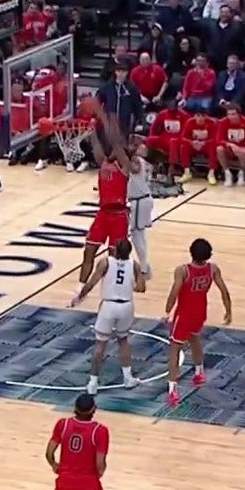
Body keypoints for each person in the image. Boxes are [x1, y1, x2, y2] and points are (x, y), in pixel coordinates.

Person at [70, 239, 146, 395]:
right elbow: (141, 288)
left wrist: (79, 297)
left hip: (108, 306)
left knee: (100, 345)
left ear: (115, 250)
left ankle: (93, 383)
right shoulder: (135, 265)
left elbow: (91, 283)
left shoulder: (105, 262)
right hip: (126, 306)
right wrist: (132, 282)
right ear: (129, 251)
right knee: (123, 340)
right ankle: (128, 378)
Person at [163, 238, 232, 405]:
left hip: (184, 314)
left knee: (174, 349)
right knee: (194, 339)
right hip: (200, 311)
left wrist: (167, 311)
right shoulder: (213, 269)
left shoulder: (182, 271)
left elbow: (174, 293)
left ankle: (172, 390)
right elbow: (224, 290)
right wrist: (228, 310)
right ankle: (199, 372)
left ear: (191, 252)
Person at [45, 393, 113, 490]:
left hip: (65, 481)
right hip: (88, 482)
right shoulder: (100, 431)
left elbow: (49, 452)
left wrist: (54, 465)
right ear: (94, 409)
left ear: (75, 407)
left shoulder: (63, 424)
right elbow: (100, 463)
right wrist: (98, 474)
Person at [79, 118, 131, 284]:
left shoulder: (124, 165)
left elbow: (116, 143)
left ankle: (109, 288)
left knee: (113, 258)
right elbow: (96, 148)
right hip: (103, 214)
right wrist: (93, 131)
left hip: (119, 216)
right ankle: (79, 289)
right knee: (88, 252)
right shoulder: (103, 162)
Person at [126, 143, 156, 279]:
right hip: (143, 200)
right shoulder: (146, 164)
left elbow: (134, 168)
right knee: (140, 234)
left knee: (136, 235)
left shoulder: (137, 161)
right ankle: (145, 265)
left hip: (140, 201)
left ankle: (144, 269)